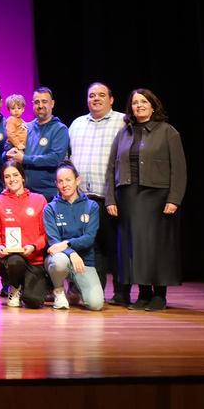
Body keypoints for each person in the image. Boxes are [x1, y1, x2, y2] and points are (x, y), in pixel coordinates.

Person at [104, 88, 187, 311]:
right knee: (135, 248)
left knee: (157, 247)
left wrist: (174, 198)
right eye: (134, 102)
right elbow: (112, 168)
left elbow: (178, 170)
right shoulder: (124, 133)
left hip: (157, 196)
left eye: (143, 102)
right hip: (128, 197)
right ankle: (143, 293)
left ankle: (159, 294)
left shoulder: (168, 132)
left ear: (153, 105)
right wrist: (110, 198)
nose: (138, 105)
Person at [67, 82, 125, 302]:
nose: (96, 99)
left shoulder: (122, 121)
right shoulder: (77, 124)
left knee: (116, 246)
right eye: (92, 96)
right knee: (94, 247)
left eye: (102, 95)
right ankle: (96, 291)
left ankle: (121, 293)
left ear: (111, 100)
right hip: (83, 199)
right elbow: (68, 157)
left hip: (110, 197)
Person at [0, 159, 49, 309]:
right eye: (7, 176)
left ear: (23, 177)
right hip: (10, 259)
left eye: (15, 175)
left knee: (33, 302)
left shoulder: (39, 200)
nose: (12, 179)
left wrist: (34, 246)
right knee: (15, 261)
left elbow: (46, 234)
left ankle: (28, 289)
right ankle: (14, 288)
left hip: (34, 259)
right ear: (3, 180)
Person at [45, 161, 104, 311]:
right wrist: (71, 253)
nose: (64, 184)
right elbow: (53, 241)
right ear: (56, 184)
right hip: (61, 258)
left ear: (78, 180)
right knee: (59, 261)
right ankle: (58, 291)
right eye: (60, 181)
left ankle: (75, 288)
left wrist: (67, 245)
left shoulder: (92, 206)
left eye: (68, 180)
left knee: (96, 305)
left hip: (84, 262)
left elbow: (89, 238)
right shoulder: (50, 208)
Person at [6, 87, 69, 199]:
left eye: (44, 101)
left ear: (52, 104)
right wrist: (8, 152)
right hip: (24, 193)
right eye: (36, 102)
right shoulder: (26, 127)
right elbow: (9, 148)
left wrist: (24, 159)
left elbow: (55, 159)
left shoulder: (60, 129)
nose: (40, 105)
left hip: (48, 195)